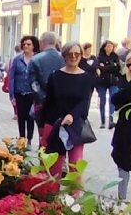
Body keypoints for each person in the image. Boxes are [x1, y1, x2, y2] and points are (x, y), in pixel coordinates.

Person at [39, 41, 95, 178]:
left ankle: (74, 197)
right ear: (64, 56)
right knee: (54, 166)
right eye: (70, 54)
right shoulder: (55, 76)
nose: (73, 57)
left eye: (77, 54)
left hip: (75, 125)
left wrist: (72, 115)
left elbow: (85, 101)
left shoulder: (86, 78)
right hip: (55, 123)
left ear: (81, 56)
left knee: (75, 165)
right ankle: (53, 197)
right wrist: (42, 124)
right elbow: (48, 101)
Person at [110, 53, 131, 200]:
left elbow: (117, 98)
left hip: (130, 128)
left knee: (124, 164)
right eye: (128, 65)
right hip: (129, 128)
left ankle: (123, 198)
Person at [6, 35, 38, 143]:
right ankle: (22, 138)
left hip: (32, 93)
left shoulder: (37, 59)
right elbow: (12, 77)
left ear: (33, 46)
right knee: (21, 117)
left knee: (30, 117)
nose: (26, 46)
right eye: (24, 44)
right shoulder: (17, 60)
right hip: (19, 92)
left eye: (28, 44)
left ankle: (29, 139)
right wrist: (12, 95)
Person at [31, 31, 64, 117]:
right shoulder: (64, 58)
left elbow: (33, 83)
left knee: (44, 128)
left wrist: (43, 97)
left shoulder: (35, 60)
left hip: (42, 104)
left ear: (41, 42)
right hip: (61, 101)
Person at [94, 40, 124, 128]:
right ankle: (103, 120)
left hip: (113, 81)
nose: (110, 48)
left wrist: (106, 66)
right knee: (102, 100)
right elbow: (99, 67)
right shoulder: (99, 57)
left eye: (111, 46)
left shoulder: (115, 56)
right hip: (101, 82)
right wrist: (111, 66)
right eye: (108, 46)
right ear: (104, 47)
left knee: (113, 98)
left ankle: (111, 119)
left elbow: (117, 68)